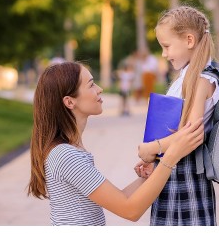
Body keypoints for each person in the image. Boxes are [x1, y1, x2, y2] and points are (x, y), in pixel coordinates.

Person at [27, 61, 204, 226]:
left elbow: (120, 198)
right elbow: (130, 210)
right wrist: (171, 156)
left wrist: (146, 177)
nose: (100, 89)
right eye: (91, 85)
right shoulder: (66, 155)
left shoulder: (68, 151)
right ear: (69, 101)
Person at [136, 5, 219, 226]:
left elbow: (191, 134)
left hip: (186, 177)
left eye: (166, 46)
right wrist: (155, 159)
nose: (164, 54)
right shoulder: (188, 74)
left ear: (189, 40)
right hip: (173, 170)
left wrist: (151, 148)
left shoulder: (203, 77)